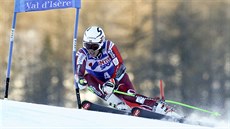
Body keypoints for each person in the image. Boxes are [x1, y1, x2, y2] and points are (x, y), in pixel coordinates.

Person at [75, 26, 175, 115]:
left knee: (129, 97)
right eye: (88, 45)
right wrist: (80, 79)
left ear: (101, 43)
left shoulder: (109, 47)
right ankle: (118, 104)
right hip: (102, 84)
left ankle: (158, 106)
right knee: (87, 78)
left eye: (94, 46)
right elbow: (79, 71)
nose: (91, 50)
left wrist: (113, 81)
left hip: (118, 78)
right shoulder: (82, 54)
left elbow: (120, 66)